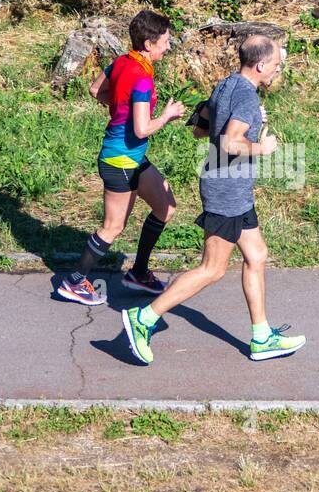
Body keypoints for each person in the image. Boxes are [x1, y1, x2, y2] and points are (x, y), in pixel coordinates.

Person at [121, 34, 305, 364]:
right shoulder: (246, 97)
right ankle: (144, 317)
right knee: (212, 269)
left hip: (232, 187)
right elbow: (230, 143)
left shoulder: (226, 83)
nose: (279, 70)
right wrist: (261, 147)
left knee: (257, 254)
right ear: (261, 65)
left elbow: (199, 128)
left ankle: (261, 337)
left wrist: (240, 125)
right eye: (277, 66)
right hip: (227, 191)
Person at [56, 9, 186, 305]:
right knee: (113, 226)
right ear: (149, 44)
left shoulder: (122, 62)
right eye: (165, 41)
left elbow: (94, 89)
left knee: (166, 207)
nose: (168, 45)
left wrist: (119, 108)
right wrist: (166, 115)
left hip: (133, 160)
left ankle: (139, 273)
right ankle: (74, 282)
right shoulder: (141, 78)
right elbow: (141, 129)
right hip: (120, 161)